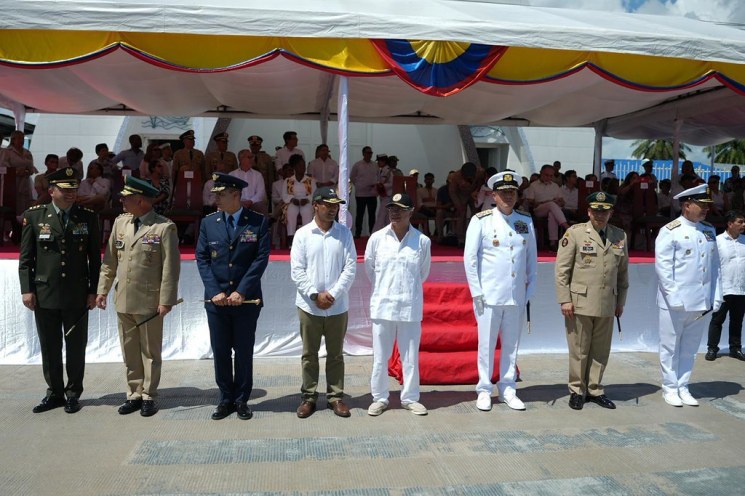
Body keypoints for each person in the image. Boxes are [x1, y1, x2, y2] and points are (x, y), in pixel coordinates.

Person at [96, 176, 180, 417]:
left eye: (126, 198)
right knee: (129, 349)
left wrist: (166, 300)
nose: (122, 201)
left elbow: (170, 268)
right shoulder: (120, 223)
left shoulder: (163, 227)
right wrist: (102, 290)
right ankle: (134, 393)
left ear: (140, 200)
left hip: (149, 301)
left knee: (150, 352)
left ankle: (149, 395)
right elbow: (110, 261)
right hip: (124, 298)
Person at [19, 167, 101, 414]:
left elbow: (94, 259)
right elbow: (26, 259)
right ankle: (54, 393)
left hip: (77, 293)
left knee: (75, 346)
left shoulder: (87, 217)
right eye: (65, 190)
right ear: (52, 191)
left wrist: (93, 290)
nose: (70, 194)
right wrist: (27, 290)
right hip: (45, 292)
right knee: (49, 346)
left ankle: (73, 393)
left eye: (73, 189)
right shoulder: (35, 216)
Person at [196, 173, 270, 420]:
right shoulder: (209, 223)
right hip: (216, 301)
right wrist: (215, 291)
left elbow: (260, 258)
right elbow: (202, 258)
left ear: (236, 195)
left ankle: (241, 399)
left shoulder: (257, 222)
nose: (215, 198)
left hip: (246, 301)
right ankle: (225, 398)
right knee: (220, 351)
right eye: (215, 194)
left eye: (221, 194)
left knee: (243, 351)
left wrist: (241, 290)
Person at [464, 171, 537, 412]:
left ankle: (508, 388)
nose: (508, 196)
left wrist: (529, 290)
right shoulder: (481, 220)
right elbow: (470, 259)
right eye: (503, 193)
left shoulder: (525, 221)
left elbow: (531, 258)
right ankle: (484, 389)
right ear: (493, 195)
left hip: (515, 296)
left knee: (511, 345)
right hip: (488, 296)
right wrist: (476, 292)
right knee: (486, 345)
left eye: (512, 192)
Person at [555, 192, 629, 410]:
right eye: (596, 210)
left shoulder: (619, 236)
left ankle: (595, 389)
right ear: (588, 212)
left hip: (607, 302)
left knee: (600, 350)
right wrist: (564, 299)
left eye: (604, 211)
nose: (600, 215)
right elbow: (562, 270)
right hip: (580, 302)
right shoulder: (575, 233)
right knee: (579, 349)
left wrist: (620, 301)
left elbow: (622, 273)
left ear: (611, 213)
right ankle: (577, 390)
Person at [290, 186, 356, 419]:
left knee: (336, 354)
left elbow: (350, 268)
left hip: (337, 306)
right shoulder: (302, 234)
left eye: (335, 205)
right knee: (309, 354)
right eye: (327, 205)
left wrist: (333, 294)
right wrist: (314, 295)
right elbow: (297, 270)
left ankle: (335, 397)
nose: (332, 209)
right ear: (315, 205)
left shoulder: (344, 234)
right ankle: (309, 397)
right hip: (309, 306)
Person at [365, 192, 431, 416]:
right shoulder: (377, 239)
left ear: (410, 212)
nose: (395, 213)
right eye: (392, 209)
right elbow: (371, 270)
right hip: (383, 305)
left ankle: (410, 398)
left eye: (400, 209)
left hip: (409, 307)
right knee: (380, 358)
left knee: (410, 358)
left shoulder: (422, 241)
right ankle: (379, 398)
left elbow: (422, 273)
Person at [655, 183, 722, 407]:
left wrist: (716, 295)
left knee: (690, 349)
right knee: (670, 347)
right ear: (686, 205)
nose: (706, 209)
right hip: (675, 301)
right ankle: (669, 387)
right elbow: (664, 268)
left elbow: (715, 266)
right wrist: (673, 297)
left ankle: (683, 386)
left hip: (700, 301)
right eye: (701, 205)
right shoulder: (670, 231)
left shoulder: (708, 230)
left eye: (707, 205)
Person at [706, 210, 745, 361]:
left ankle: (735, 349)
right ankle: (712, 349)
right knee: (717, 320)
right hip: (723, 288)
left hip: (741, 288)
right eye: (740, 222)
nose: (743, 225)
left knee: (737, 320)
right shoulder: (717, 241)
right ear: (730, 224)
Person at [524, 164, 570, 250]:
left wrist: (560, 202)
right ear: (541, 173)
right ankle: (566, 226)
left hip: (554, 210)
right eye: (546, 175)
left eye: (551, 176)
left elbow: (562, 203)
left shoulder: (555, 186)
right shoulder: (533, 185)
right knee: (551, 204)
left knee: (552, 214)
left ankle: (553, 242)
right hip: (539, 210)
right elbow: (530, 202)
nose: (548, 177)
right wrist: (545, 202)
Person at [282, 154, 316, 243]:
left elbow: (314, 194)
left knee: (307, 212)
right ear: (294, 167)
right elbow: (284, 195)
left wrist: (307, 199)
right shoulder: (288, 180)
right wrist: (292, 199)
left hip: (306, 202)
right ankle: (291, 238)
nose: (303, 168)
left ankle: (306, 238)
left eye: (304, 165)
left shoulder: (310, 180)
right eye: (300, 166)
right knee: (291, 211)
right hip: (293, 202)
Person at [350, 146, 378, 238]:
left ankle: (372, 234)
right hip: (361, 194)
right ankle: (358, 234)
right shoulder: (357, 165)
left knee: (372, 215)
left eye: (371, 153)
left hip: (372, 194)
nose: (369, 154)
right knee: (360, 215)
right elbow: (352, 177)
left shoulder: (375, 165)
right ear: (363, 154)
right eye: (367, 153)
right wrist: (359, 185)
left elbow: (378, 177)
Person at [230, 149, 267, 215]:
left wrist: (251, 201)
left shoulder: (258, 175)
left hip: (253, 203)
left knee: (261, 206)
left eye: (252, 157)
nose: (252, 159)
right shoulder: (232, 175)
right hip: (237, 203)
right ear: (241, 159)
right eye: (249, 157)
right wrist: (239, 202)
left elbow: (261, 193)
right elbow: (229, 193)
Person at [247, 135, 276, 208]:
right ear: (250, 146)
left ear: (260, 147)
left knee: (263, 208)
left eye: (256, 146)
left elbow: (270, 175)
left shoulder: (266, 157)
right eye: (253, 146)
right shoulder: (246, 157)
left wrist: (270, 190)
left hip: (264, 188)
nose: (254, 147)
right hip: (250, 188)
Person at [372, 153, 394, 232]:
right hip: (383, 195)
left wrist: (382, 185)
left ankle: (374, 233)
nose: (378, 163)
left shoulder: (388, 171)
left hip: (388, 196)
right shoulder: (381, 170)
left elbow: (392, 183)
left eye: (379, 161)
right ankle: (389, 232)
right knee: (386, 218)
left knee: (381, 216)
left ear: (384, 161)